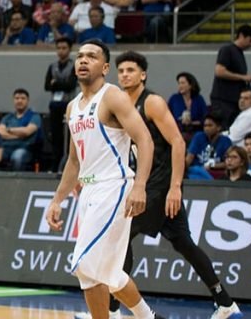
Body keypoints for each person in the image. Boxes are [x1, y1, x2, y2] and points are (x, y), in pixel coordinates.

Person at [76, 52, 240, 319]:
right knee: (183, 243)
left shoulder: (151, 102)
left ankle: (112, 310)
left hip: (158, 184)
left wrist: (175, 187)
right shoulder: (117, 103)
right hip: (143, 182)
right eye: (122, 70)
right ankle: (226, 304)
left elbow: (178, 142)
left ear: (143, 75)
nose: (125, 74)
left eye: (131, 70)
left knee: (120, 235)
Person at [44, 39, 163, 319]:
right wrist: (56, 200)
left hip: (114, 186)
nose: (83, 60)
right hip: (88, 190)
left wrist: (140, 186)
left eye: (92, 56)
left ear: (105, 67)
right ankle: (148, 317)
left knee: (85, 264)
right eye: (80, 56)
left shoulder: (113, 97)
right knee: (109, 273)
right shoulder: (73, 107)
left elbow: (145, 139)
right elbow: (74, 160)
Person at [209, 25, 251, 128]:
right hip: (223, 100)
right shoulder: (227, 50)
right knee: (224, 128)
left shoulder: (240, 54)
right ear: (241, 36)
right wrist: (242, 77)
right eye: (250, 40)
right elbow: (219, 71)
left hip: (234, 101)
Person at [46, 38, 78, 170]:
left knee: (70, 137)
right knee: (56, 136)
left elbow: (70, 85)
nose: (61, 51)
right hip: (55, 105)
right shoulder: (52, 66)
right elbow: (47, 86)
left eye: (64, 48)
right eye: (58, 48)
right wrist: (60, 84)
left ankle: (69, 166)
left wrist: (56, 83)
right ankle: (55, 165)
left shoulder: (74, 66)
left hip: (69, 104)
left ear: (69, 49)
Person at [185, 112, 232, 180]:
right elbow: (189, 157)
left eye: (210, 125)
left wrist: (212, 166)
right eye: (205, 126)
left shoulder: (225, 141)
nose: (206, 128)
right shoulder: (198, 137)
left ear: (218, 127)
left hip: (216, 174)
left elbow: (229, 163)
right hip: (197, 173)